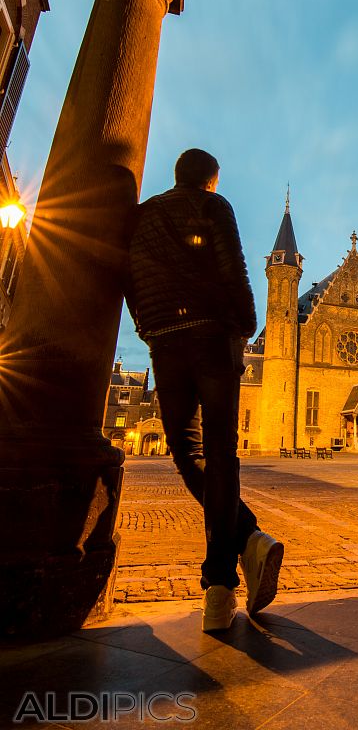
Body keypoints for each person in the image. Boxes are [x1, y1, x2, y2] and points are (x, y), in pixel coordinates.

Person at [126, 148, 283, 631]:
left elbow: (128, 275)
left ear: (177, 175)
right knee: (220, 453)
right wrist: (248, 329)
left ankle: (236, 558)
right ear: (211, 180)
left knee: (185, 452)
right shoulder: (214, 207)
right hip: (213, 338)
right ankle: (226, 577)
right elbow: (233, 270)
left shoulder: (142, 215)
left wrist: (147, 327)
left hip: (166, 343)